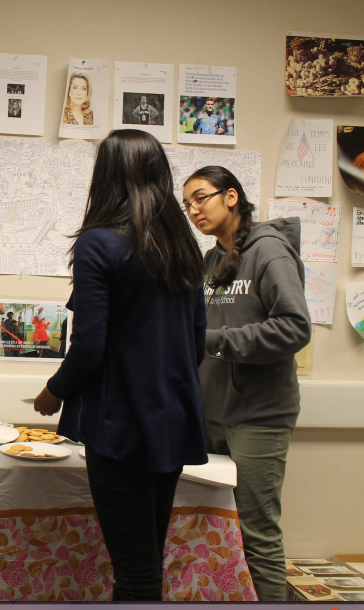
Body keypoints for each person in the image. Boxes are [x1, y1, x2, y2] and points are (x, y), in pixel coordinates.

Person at [33, 129, 208, 601]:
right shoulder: (183, 243)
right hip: (172, 418)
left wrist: (54, 392)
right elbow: (196, 344)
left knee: (135, 572)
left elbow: (90, 345)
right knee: (147, 559)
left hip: (122, 424)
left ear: (105, 176)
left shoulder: (99, 242)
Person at [182, 166, 311, 601]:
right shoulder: (211, 259)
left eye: (201, 197)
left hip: (258, 416)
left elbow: (294, 328)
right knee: (216, 530)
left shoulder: (270, 251)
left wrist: (213, 342)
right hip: (211, 414)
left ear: (231, 196)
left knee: (256, 536)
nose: (194, 209)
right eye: (188, 204)